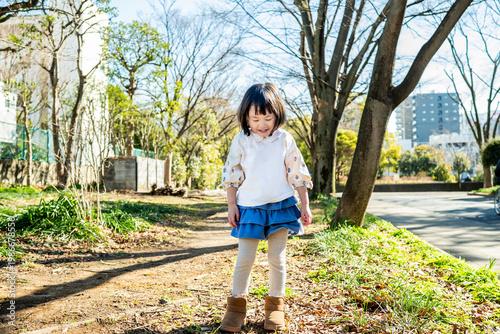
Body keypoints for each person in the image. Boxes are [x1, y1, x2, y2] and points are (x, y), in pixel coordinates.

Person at [219, 83, 313, 332]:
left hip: (281, 205)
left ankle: (274, 308)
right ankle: (236, 308)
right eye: (255, 118)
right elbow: (232, 174)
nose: (262, 124)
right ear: (246, 117)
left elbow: (297, 173)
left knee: (276, 258)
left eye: (268, 117)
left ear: (277, 115)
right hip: (250, 207)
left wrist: (304, 204)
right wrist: (231, 205)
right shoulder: (241, 140)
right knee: (245, 259)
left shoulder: (285, 139)